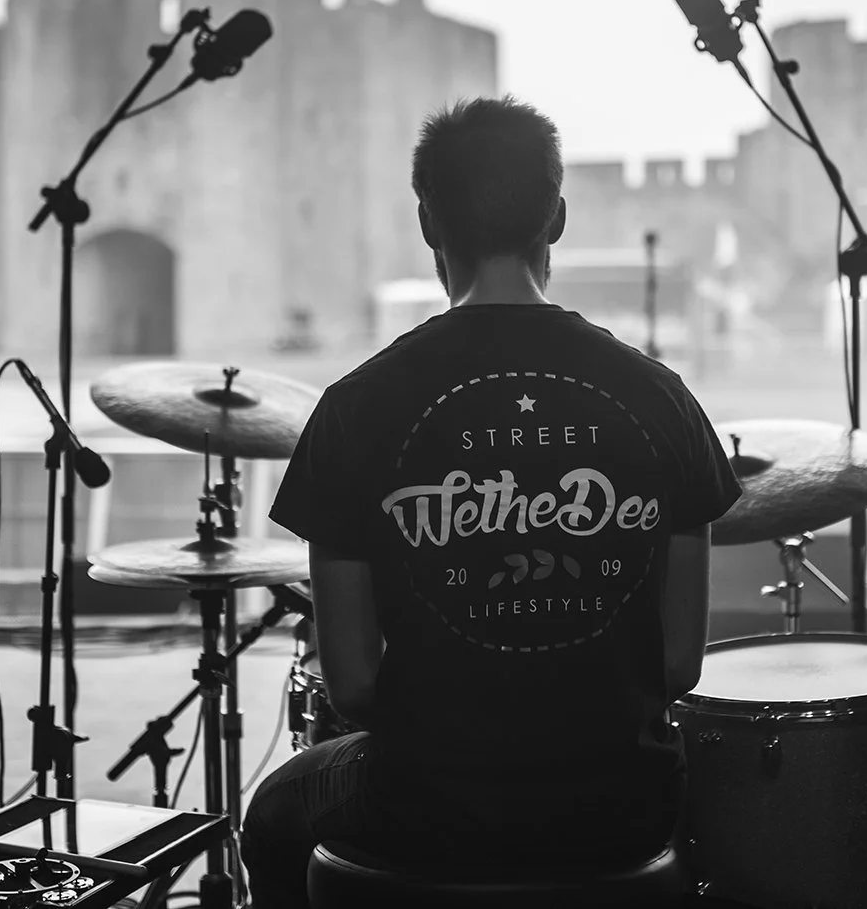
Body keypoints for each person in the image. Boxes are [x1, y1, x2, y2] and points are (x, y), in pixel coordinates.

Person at [240, 97, 742, 906]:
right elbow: (680, 664)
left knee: (271, 812)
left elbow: (354, 686)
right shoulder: (661, 398)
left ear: (428, 223)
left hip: (427, 802)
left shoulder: (355, 408)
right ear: (558, 217)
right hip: (623, 805)